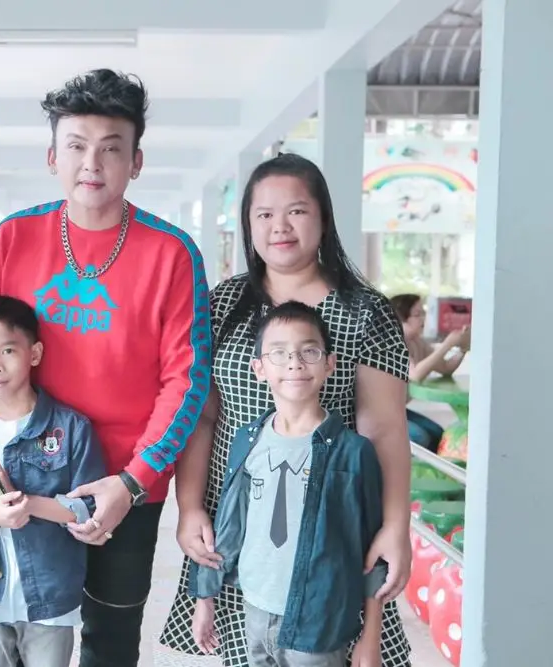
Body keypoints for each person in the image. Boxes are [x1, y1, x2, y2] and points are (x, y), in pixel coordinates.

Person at [0, 68, 212, 667]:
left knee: (110, 642)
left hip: (122, 484)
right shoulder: (13, 238)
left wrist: (133, 481)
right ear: (52, 156)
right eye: (77, 146)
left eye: (111, 148)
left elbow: (186, 381)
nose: (92, 163)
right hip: (17, 479)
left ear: (136, 162)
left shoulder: (172, 253)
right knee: (13, 630)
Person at [161, 153, 413, 667]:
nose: (280, 226)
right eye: (264, 214)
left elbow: (384, 429)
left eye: (296, 211)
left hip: (331, 525)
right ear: (248, 223)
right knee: (249, 650)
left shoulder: (366, 311)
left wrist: (395, 525)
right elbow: (203, 418)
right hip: (242, 519)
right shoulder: (222, 304)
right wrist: (190, 507)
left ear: (323, 217)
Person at [189, 301, 386, 667]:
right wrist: (205, 599)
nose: (294, 362)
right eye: (279, 353)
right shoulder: (247, 441)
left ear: (330, 363)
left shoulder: (352, 453)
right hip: (255, 608)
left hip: (318, 620)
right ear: (259, 369)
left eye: (309, 351)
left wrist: (371, 636)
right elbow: (229, 524)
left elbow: (374, 551)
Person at [0, 295, 106, 667]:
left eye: (7, 351)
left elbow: (88, 510)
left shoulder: (71, 428)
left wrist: (25, 503)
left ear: (34, 353)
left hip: (49, 595)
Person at [389, 293, 469, 452]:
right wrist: (447, 344)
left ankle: (430, 467)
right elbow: (415, 375)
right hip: (381, 412)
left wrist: (463, 348)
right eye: (417, 314)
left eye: (423, 313)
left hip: (398, 410)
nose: (423, 319)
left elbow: (445, 368)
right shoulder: (392, 342)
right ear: (400, 318)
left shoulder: (417, 342)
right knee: (420, 438)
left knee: (438, 434)